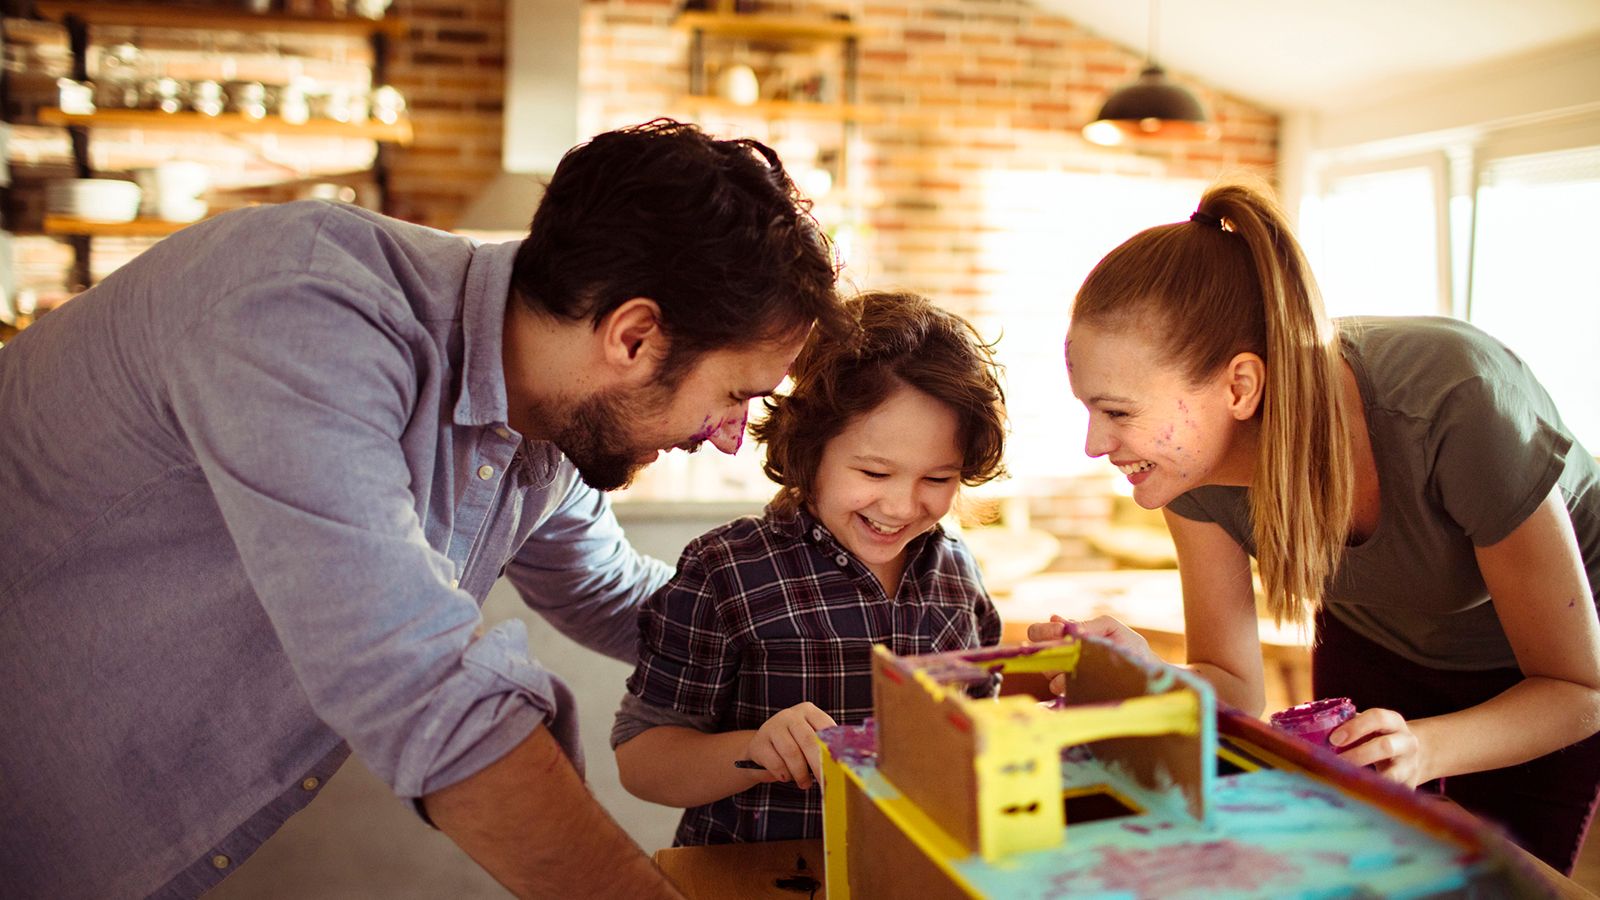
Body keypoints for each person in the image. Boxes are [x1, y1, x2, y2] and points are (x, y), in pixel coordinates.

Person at [0, 119, 852, 898]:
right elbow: (416, 681)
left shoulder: (545, 424)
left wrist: (858, 662)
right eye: (734, 396)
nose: (730, 438)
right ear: (633, 337)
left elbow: (615, 593)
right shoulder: (304, 310)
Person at [1032, 177, 1600, 873]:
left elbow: (1580, 690)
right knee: (1360, 860)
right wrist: (1142, 675)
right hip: (1376, 627)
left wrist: (1425, 748)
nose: (1094, 443)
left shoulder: (1458, 400)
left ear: (1239, 386)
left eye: (1118, 413)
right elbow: (1234, 685)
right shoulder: (1186, 472)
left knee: (1500, 873)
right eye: (1089, 410)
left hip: (1546, 670)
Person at [611, 290, 1008, 845]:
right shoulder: (725, 570)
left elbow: (981, 730)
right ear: (810, 449)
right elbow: (642, 760)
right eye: (873, 473)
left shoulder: (956, 573)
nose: (900, 506)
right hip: (757, 876)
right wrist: (752, 749)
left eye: (937, 479)